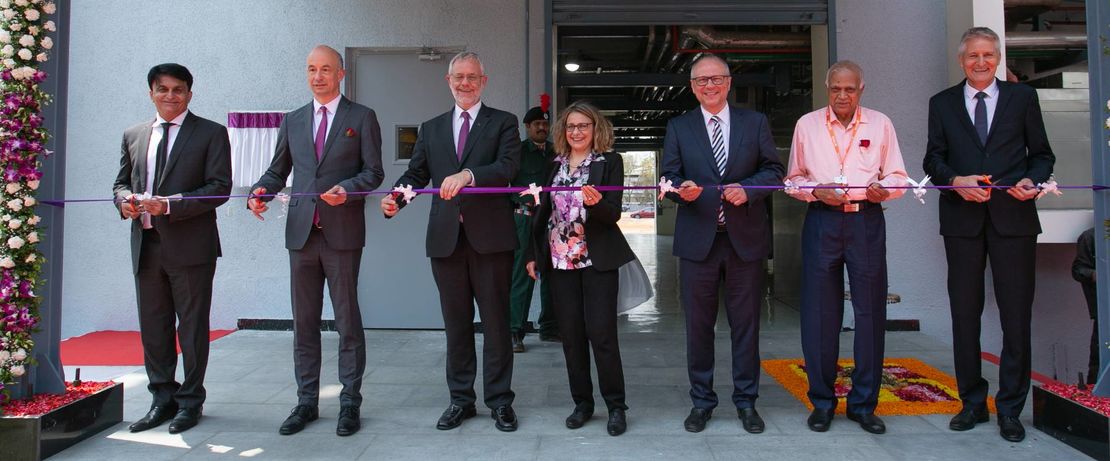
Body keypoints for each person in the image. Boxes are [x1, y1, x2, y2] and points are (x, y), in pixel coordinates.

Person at [923, 26, 1055, 443]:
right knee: (965, 315)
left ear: (998, 59)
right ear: (961, 61)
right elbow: (933, 158)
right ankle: (972, 402)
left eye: (988, 55)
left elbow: (1043, 155)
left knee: (1016, 317)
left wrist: (1033, 181)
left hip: (1013, 219)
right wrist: (955, 179)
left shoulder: (1022, 98)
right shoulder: (942, 103)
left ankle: (1011, 408)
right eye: (973, 56)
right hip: (962, 222)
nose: (980, 62)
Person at [380, 51, 521, 432]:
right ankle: (461, 400)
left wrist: (469, 175)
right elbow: (416, 173)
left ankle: (500, 401)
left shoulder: (504, 123)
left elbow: (508, 168)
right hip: (446, 241)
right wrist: (397, 198)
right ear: (448, 81)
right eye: (458, 76)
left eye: (472, 76)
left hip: (491, 240)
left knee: (495, 324)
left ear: (484, 81)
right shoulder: (432, 127)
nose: (465, 83)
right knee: (456, 325)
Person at [248, 45, 384, 437]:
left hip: (341, 235)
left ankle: (349, 403)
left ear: (341, 74)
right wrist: (261, 191)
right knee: (303, 324)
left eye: (326, 69)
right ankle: (306, 401)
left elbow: (373, 172)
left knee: (347, 322)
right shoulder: (293, 120)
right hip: (301, 234)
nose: (318, 76)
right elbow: (277, 171)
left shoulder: (361, 117)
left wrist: (348, 188)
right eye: (311, 69)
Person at [660, 54, 784, 434]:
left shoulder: (754, 122)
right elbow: (669, 176)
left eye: (715, 79)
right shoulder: (679, 126)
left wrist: (748, 190)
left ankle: (747, 402)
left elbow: (775, 171)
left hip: (743, 240)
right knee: (698, 327)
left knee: (746, 325)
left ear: (728, 82)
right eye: (701, 81)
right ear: (692, 87)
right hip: (698, 241)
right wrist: (683, 191)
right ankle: (702, 402)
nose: (709, 86)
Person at [785, 60, 908, 434]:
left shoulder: (881, 123)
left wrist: (885, 189)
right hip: (822, 220)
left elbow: (899, 176)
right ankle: (822, 402)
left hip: (866, 220)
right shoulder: (807, 125)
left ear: (861, 90)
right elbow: (792, 179)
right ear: (827, 88)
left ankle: (864, 404)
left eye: (849, 89)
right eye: (836, 88)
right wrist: (814, 191)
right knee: (821, 314)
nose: (842, 95)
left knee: (870, 313)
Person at [112, 63, 231, 434]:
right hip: (146, 245)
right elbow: (119, 184)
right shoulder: (134, 134)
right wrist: (124, 204)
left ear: (189, 94)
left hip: (191, 247)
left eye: (177, 90)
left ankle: (190, 402)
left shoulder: (211, 133)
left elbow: (219, 188)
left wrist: (171, 204)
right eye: (162, 89)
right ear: (151, 93)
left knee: (192, 328)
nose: (169, 96)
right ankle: (161, 398)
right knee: (154, 328)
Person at [524, 101, 634, 436]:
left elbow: (613, 214)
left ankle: (616, 406)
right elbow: (541, 213)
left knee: (602, 335)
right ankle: (582, 404)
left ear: (595, 128)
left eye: (583, 126)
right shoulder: (553, 164)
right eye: (571, 126)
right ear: (563, 131)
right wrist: (533, 254)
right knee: (570, 336)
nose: (576, 132)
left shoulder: (609, 162)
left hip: (596, 257)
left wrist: (597, 203)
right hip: (560, 260)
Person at [509, 103, 558, 352]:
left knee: (552, 274)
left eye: (545, 124)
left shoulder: (557, 152)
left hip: (551, 221)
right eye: (537, 124)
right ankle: (515, 331)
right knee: (522, 275)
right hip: (525, 218)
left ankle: (549, 327)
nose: (542, 128)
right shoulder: (517, 152)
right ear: (527, 127)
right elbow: (505, 186)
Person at [1072, 227, 1098, 385]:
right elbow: (1078, 270)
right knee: (1100, 360)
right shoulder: (1091, 237)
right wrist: (1097, 274)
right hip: (1105, 315)